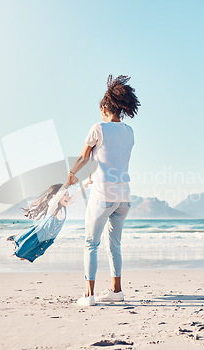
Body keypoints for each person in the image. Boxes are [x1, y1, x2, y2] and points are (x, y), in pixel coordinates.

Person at [67, 75, 140, 306]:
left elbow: (83, 156)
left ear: (105, 107)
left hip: (103, 195)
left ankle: (89, 296)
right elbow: (113, 160)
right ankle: (116, 291)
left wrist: (70, 175)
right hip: (124, 197)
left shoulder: (98, 128)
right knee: (114, 244)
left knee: (91, 243)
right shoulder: (129, 131)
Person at [8, 179, 92, 262]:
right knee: (24, 247)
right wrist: (66, 185)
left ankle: (21, 250)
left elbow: (76, 196)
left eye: (68, 194)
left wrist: (86, 183)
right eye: (64, 194)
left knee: (36, 252)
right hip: (39, 234)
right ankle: (17, 243)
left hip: (48, 238)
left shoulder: (66, 207)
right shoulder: (52, 207)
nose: (67, 196)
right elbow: (57, 197)